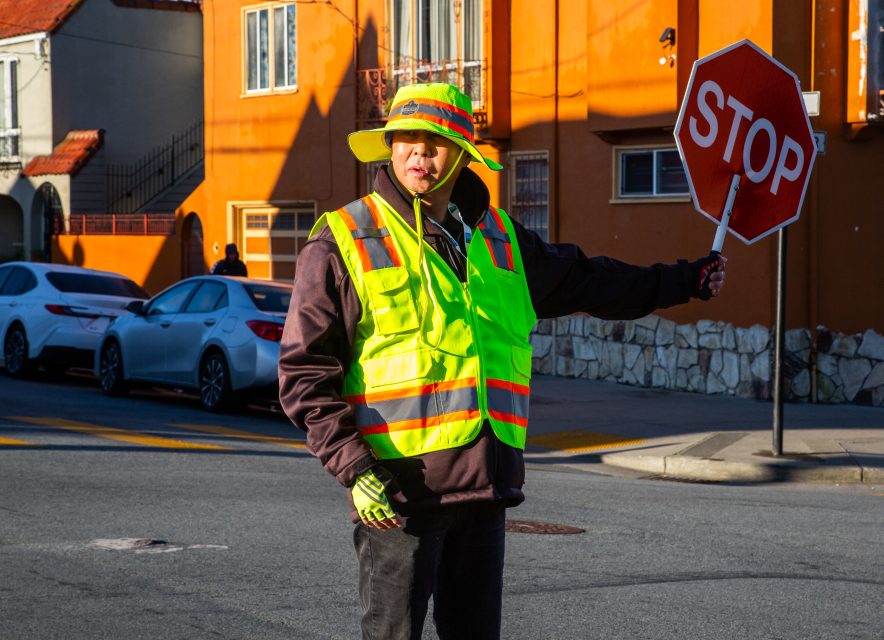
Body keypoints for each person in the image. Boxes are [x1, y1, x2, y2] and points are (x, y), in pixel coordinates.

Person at [277, 82, 726, 640]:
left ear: (464, 153)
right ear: (388, 146)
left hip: (482, 489)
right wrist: (354, 470)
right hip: (396, 493)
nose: (419, 152)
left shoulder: (502, 241)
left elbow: (593, 280)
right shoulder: (345, 238)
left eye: (436, 140)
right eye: (406, 138)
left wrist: (685, 279)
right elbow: (304, 372)